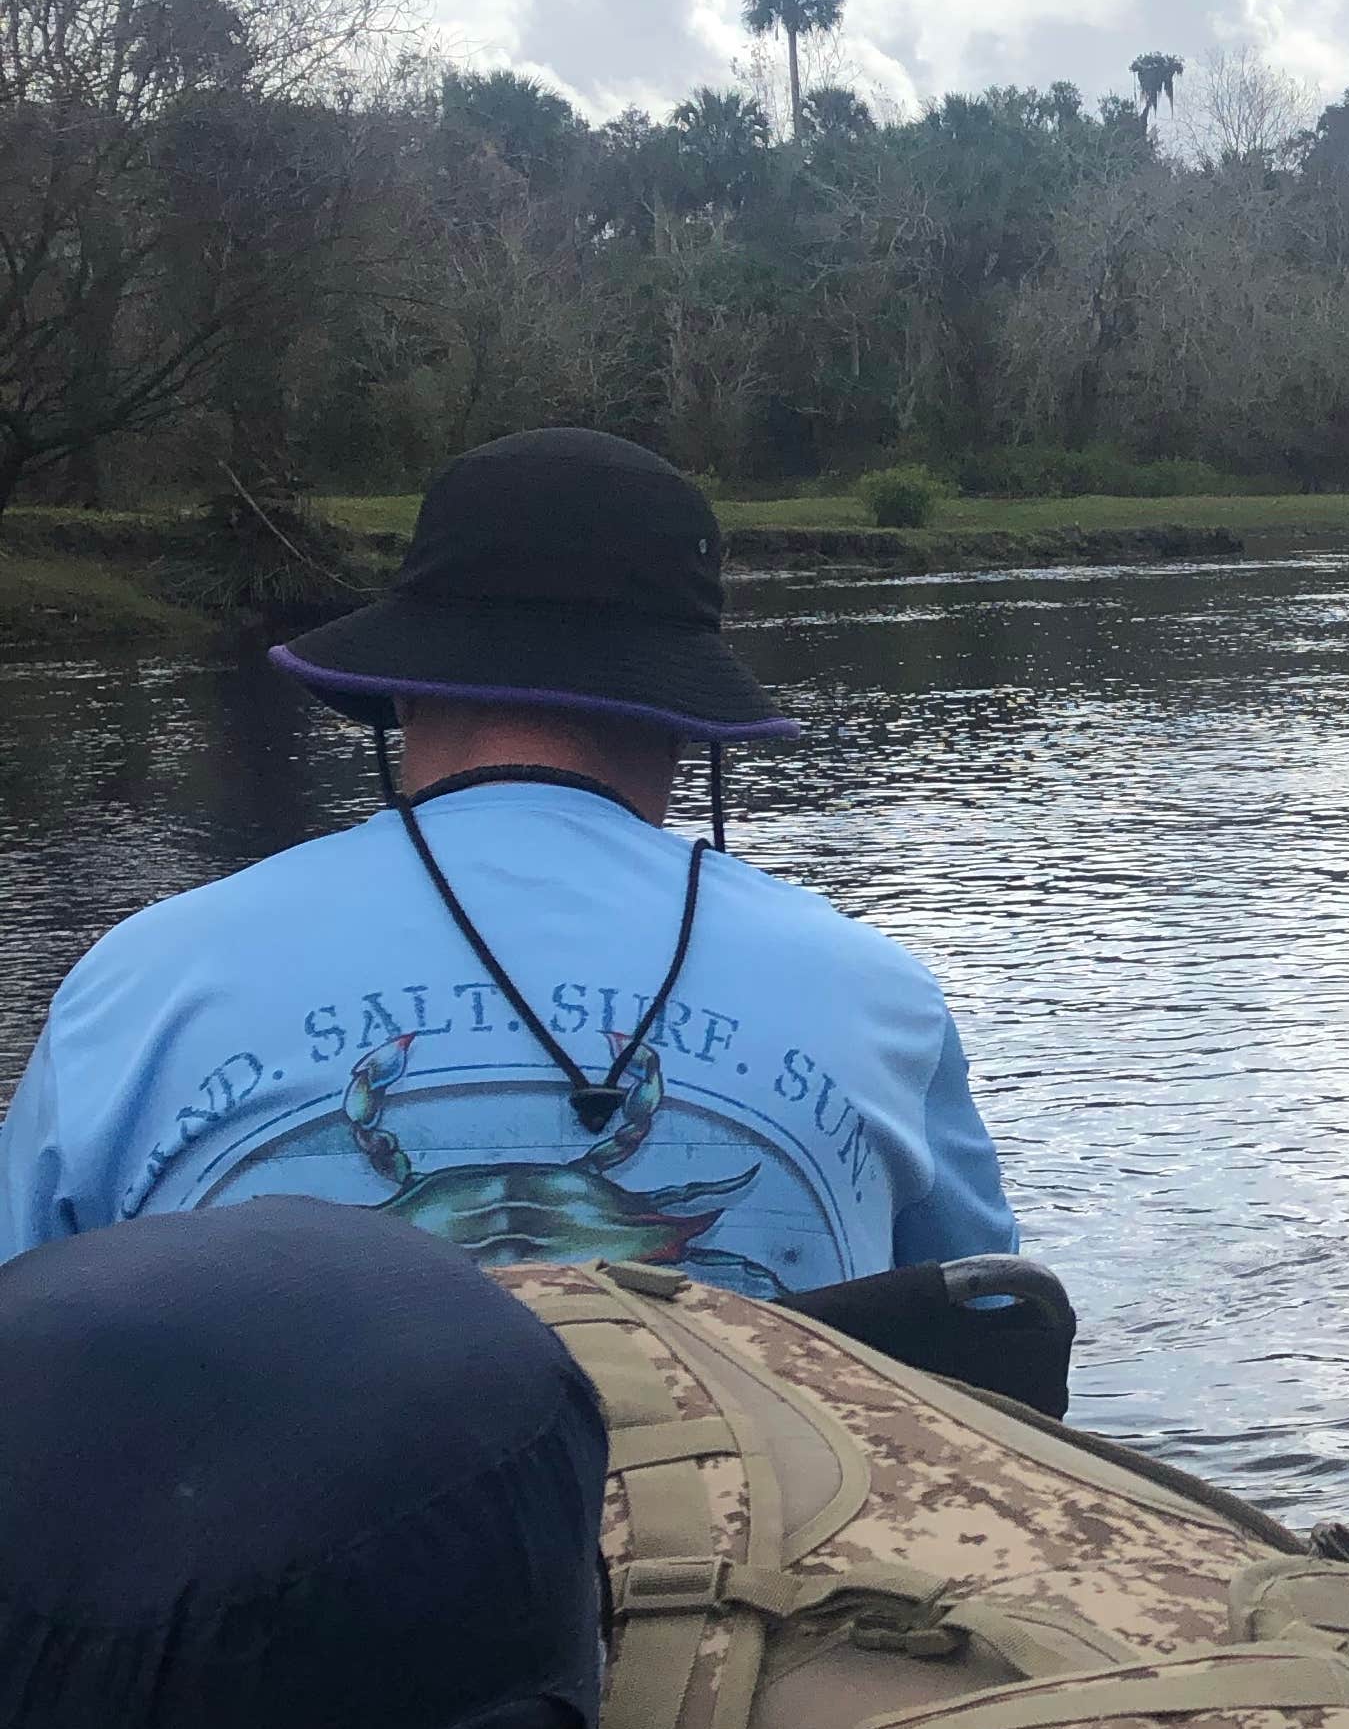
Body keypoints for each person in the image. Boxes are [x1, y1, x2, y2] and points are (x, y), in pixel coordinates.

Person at [0, 425, 1022, 1292]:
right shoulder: (876, 997)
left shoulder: (136, 990)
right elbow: (991, 1342)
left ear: (399, 689)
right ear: (692, 724)